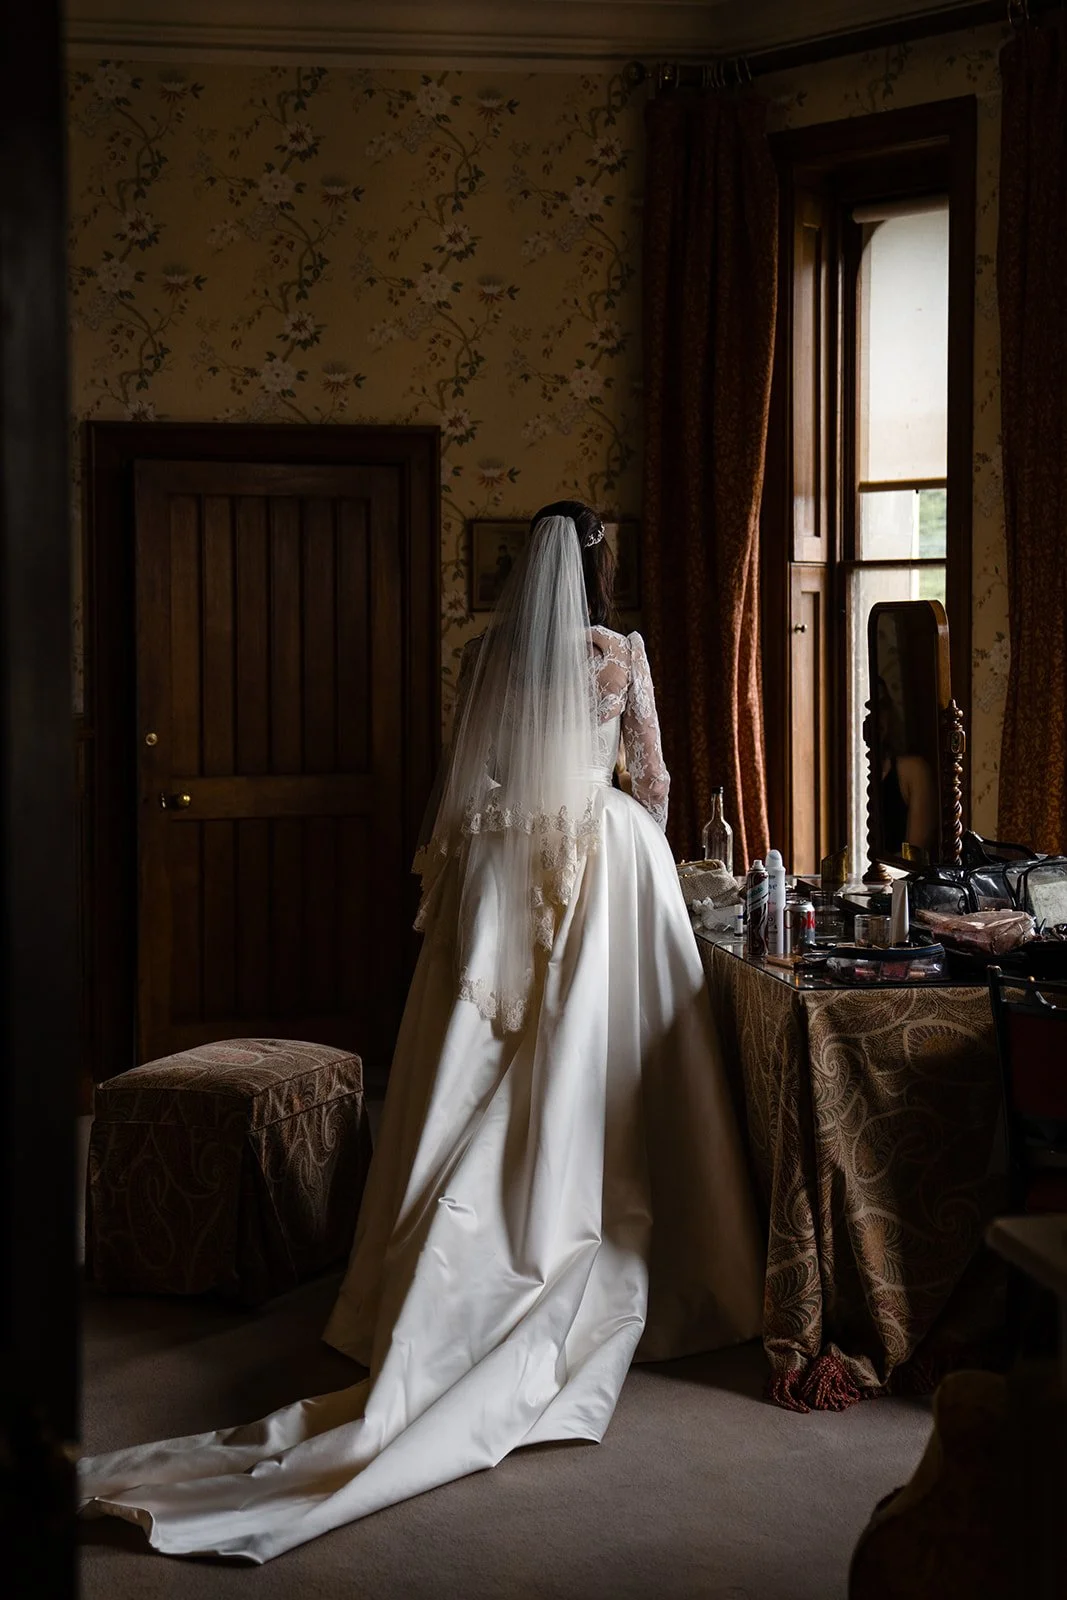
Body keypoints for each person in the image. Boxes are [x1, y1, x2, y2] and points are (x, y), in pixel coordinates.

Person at [77, 502, 764, 1564]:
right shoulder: (617, 654)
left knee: (476, 1070)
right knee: (605, 1067)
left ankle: (415, 1270)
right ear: (597, 567)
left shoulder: (489, 651)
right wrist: (648, 845)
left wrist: (500, 857)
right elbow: (656, 778)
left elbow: (474, 772)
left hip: (501, 860)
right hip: (601, 850)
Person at [877, 675, 938, 858]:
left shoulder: (911, 771)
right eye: (868, 707)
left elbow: (914, 858)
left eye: (883, 706)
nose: (877, 716)